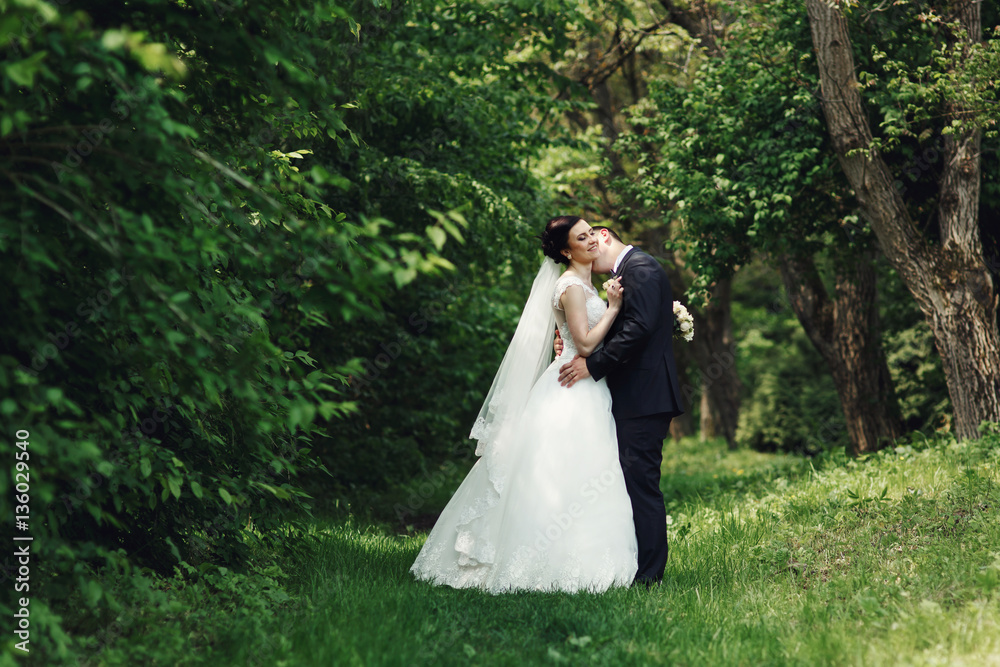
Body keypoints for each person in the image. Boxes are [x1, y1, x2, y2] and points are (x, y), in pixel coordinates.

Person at [409, 216, 638, 593]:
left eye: (592, 233)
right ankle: (546, 559)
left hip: (585, 383)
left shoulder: (584, 283)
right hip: (571, 387)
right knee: (567, 468)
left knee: (586, 470)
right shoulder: (571, 286)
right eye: (582, 238)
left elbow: (569, 337)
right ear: (566, 251)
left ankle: (586, 554)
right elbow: (582, 343)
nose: (593, 240)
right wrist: (613, 308)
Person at [557, 225, 685, 586]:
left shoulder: (640, 269)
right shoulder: (631, 271)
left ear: (604, 237)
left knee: (641, 484)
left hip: (645, 397)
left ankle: (649, 576)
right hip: (635, 395)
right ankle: (635, 566)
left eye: (590, 244)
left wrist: (592, 363)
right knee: (629, 482)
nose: (589, 256)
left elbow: (639, 328)